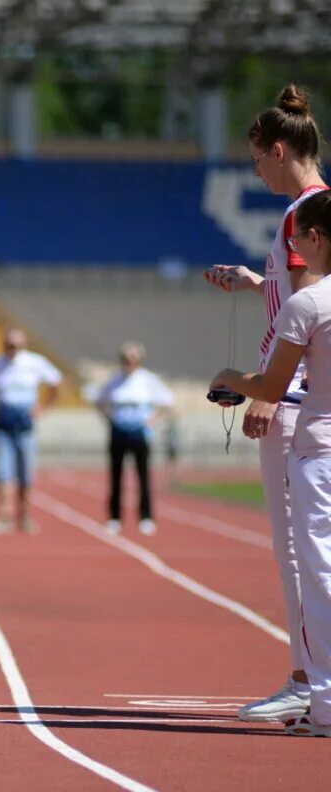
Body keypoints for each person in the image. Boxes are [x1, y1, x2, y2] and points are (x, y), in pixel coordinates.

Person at [203, 83, 327, 722]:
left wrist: (268, 389)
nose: (256, 171)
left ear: (279, 150)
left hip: (299, 398)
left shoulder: (300, 213)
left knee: (298, 549)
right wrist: (258, 282)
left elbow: (308, 312)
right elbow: (308, 299)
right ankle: (311, 678)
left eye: (257, 161)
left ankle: (308, 680)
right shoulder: (317, 211)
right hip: (310, 390)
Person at [0, 329, 61, 534]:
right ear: (3, 344)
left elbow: (56, 382)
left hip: (25, 424)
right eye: (9, 345)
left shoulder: (35, 363)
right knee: (2, 471)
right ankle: (3, 515)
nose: (13, 349)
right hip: (2, 423)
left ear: (24, 345)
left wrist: (43, 408)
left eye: (17, 345)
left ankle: (24, 515)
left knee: (25, 472)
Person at [94, 342, 173, 536]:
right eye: (125, 359)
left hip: (140, 435)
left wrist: (152, 421)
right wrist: (110, 420)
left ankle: (146, 518)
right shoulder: (114, 381)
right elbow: (99, 402)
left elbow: (168, 402)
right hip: (118, 433)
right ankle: (114, 518)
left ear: (139, 361)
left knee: (143, 476)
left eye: (132, 359)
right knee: (115, 477)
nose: (129, 363)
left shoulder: (148, 380)